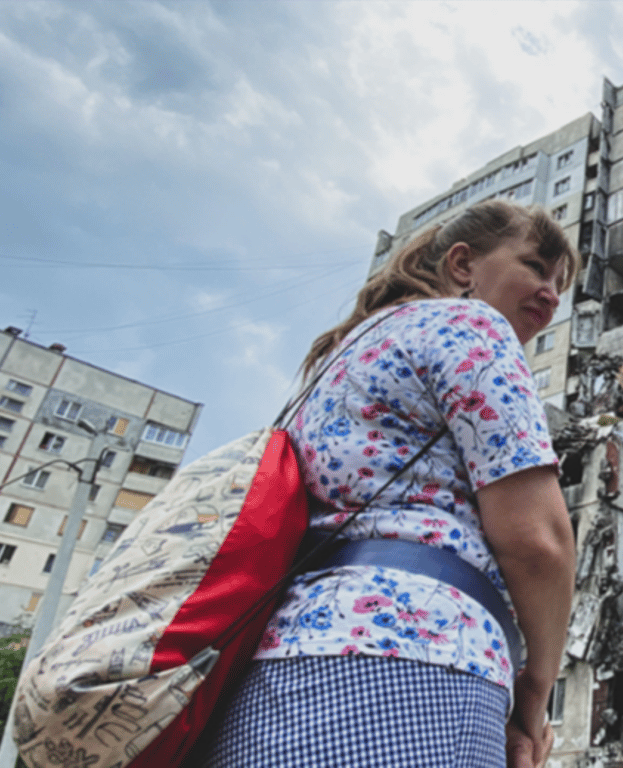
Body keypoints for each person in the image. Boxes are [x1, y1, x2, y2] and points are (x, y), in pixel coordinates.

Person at [201, 200, 578, 768]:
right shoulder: (472, 325)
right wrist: (535, 693)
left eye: (560, 283)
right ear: (461, 266)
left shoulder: (338, 360)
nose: (551, 293)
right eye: (534, 267)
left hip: (273, 660)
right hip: (414, 657)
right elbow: (540, 542)